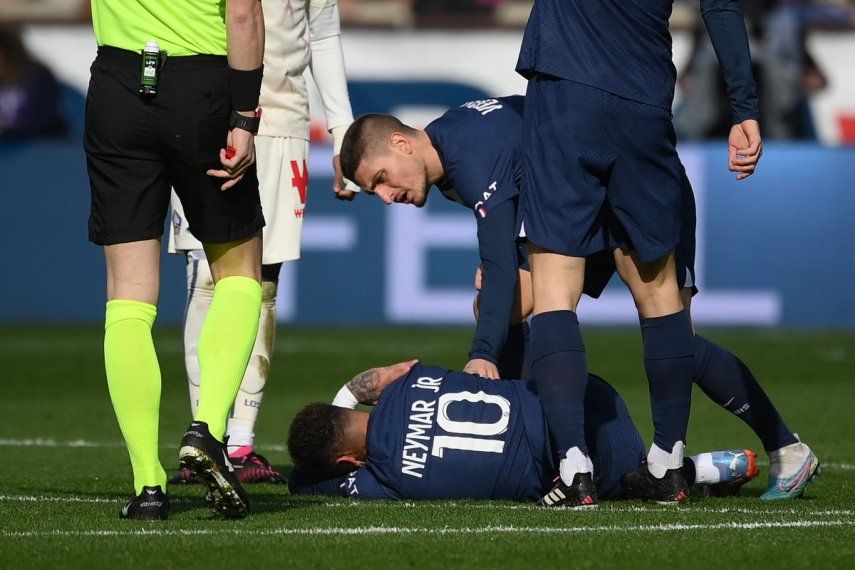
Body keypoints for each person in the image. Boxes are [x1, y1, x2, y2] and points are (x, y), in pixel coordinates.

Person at [339, 96, 818, 504]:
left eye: (381, 178)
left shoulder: (468, 153)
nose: (385, 196)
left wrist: (481, 356)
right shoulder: (452, 143)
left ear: (401, 143)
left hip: (633, 189)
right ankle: (552, 450)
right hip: (584, 206)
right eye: (372, 191)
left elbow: (503, 260)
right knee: (498, 306)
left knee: (677, 344)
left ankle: (786, 448)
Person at [514, 0, 768, 506]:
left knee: (554, 284)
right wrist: (744, 109)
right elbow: (719, 6)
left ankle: (573, 466)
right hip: (644, 103)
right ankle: (668, 464)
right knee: (659, 291)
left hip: (566, 89)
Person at [85, 0, 267, 520]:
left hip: (118, 85)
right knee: (238, 272)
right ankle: (207, 429)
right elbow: (244, 14)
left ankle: (147, 485)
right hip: (202, 87)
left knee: (128, 296)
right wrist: (244, 117)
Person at [168, 0, 357, 486]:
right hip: (208, 113)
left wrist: (342, 131)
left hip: (283, 120)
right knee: (208, 277)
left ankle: (241, 442)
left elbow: (323, 32)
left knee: (264, 284)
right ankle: (204, 433)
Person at [287, 361, 759, 502]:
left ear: (349, 459)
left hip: (584, 467)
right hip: (587, 393)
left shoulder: (382, 477)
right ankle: (675, 466)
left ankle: (692, 470)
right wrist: (350, 389)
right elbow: (384, 375)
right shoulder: (413, 378)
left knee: (621, 487)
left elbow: (311, 482)